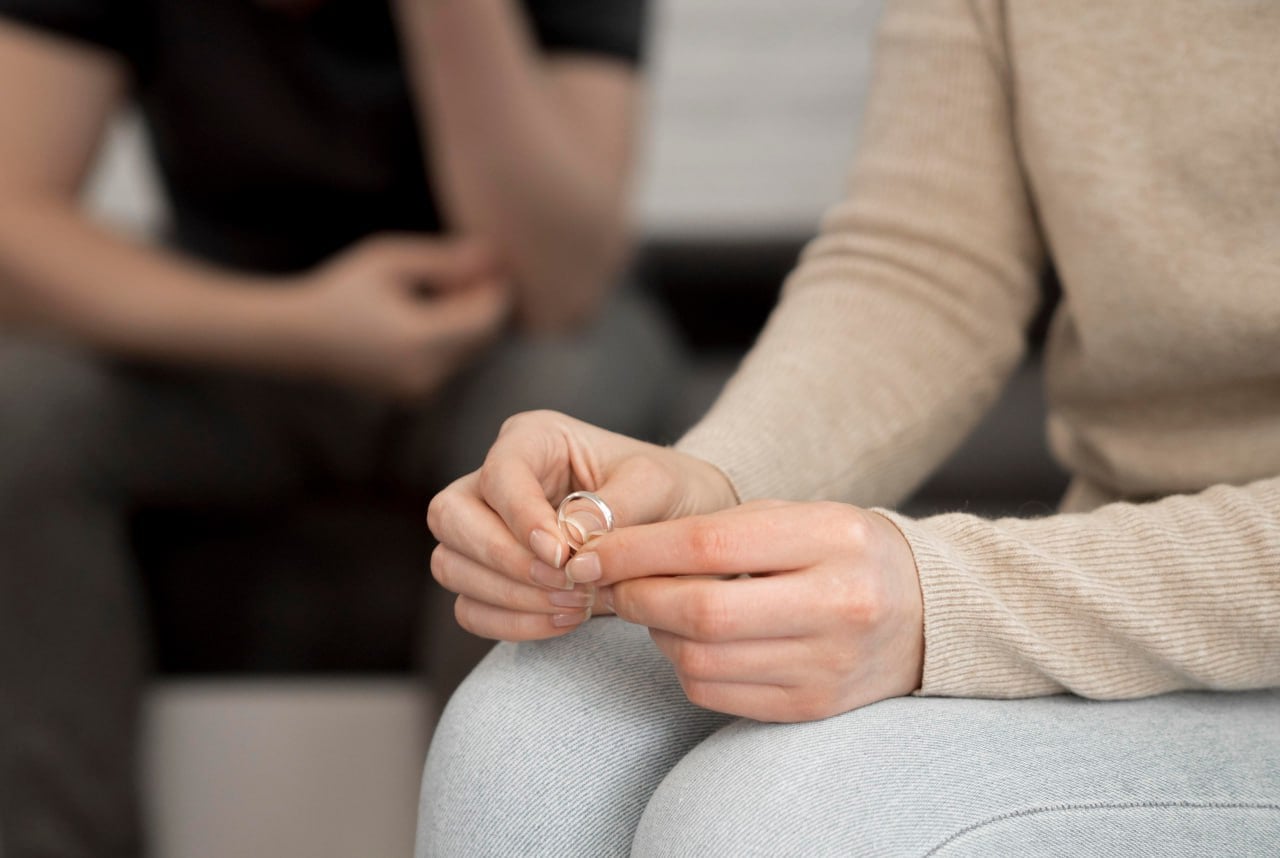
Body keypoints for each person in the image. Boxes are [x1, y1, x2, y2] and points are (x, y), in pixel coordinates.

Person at [419, 0, 1280, 854]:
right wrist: (713, 481)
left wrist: (951, 603)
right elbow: (927, 263)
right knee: (522, 731)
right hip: (1118, 563)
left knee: (770, 814)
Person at [0, 0, 672, 855]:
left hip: (505, 348)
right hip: (235, 342)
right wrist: (296, 326)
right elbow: (13, 225)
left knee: (568, 411)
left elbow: (560, 285)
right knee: (18, 410)